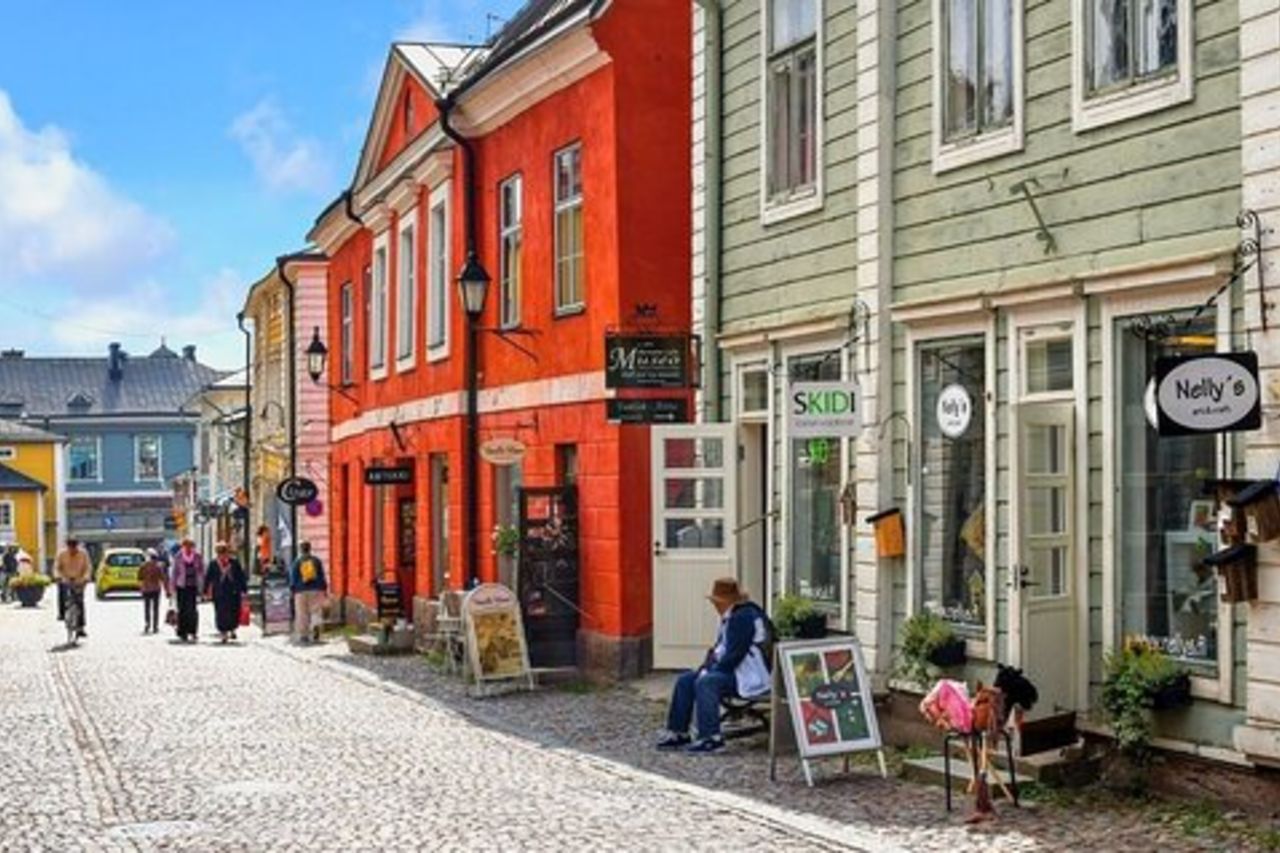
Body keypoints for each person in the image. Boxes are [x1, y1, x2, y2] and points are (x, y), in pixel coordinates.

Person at [656, 578, 772, 754]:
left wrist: (710, 672)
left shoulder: (742, 618)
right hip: (736, 671)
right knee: (686, 679)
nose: (715, 606)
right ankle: (678, 731)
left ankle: (711, 737)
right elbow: (719, 650)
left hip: (750, 674)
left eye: (716, 602)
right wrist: (705, 668)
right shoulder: (732, 616)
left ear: (725, 602)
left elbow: (734, 656)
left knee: (707, 683)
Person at [205, 541, 247, 644]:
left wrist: (243, 590)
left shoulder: (234, 562)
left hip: (233, 591)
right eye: (220, 552)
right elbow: (208, 578)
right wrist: (205, 591)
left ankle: (232, 629)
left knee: (234, 611)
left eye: (224, 552)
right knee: (220, 613)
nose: (222, 555)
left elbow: (241, 577)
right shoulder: (214, 564)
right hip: (219, 592)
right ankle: (223, 632)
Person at [289, 541, 328, 643]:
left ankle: (304, 635)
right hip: (316, 589)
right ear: (310, 549)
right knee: (316, 611)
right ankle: (315, 626)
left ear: (301, 549)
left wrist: (292, 591)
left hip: (300, 591)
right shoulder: (317, 561)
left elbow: (293, 579)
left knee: (302, 613)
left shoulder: (297, 562)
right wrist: (324, 589)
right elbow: (322, 576)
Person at [53, 538, 92, 639]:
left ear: (77, 546)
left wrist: (86, 578)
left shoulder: (83, 554)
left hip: (79, 580)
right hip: (65, 579)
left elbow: (87, 567)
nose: (72, 551)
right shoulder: (61, 554)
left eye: (74, 548)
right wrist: (58, 576)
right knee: (61, 592)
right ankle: (61, 613)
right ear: (67, 546)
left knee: (80, 602)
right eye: (70, 548)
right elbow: (57, 567)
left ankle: (81, 627)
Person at [168, 538, 205, 642]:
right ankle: (182, 632)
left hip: (193, 586)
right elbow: (174, 572)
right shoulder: (178, 556)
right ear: (183, 546)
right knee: (182, 610)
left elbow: (202, 570)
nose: (188, 548)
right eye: (186, 546)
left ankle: (193, 631)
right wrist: (172, 587)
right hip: (181, 586)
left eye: (190, 546)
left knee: (192, 610)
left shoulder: (197, 556)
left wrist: (202, 586)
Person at [138, 549, 167, 634]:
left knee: (147, 608)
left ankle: (147, 624)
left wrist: (141, 587)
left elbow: (139, 578)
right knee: (155, 608)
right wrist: (167, 589)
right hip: (156, 589)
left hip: (146, 589)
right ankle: (155, 626)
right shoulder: (158, 566)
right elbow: (162, 578)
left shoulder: (143, 566)